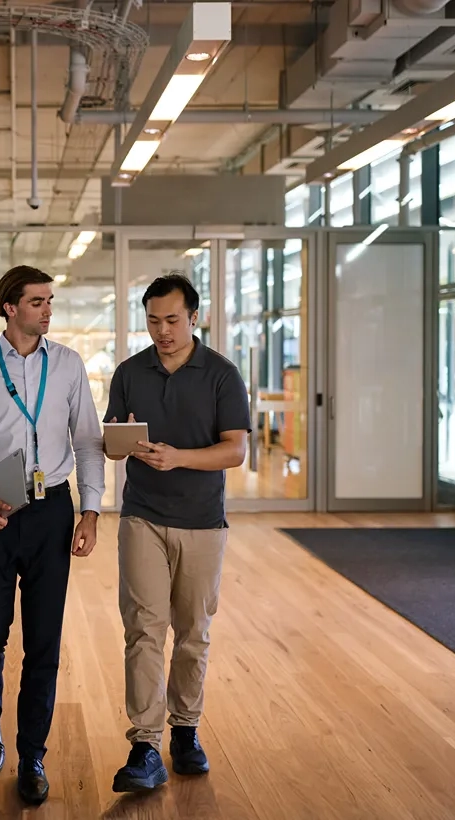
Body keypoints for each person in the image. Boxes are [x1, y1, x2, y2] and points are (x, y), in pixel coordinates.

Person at [0, 265, 105, 805]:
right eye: (37, 301)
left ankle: (32, 752)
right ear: (9, 307)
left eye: (49, 300)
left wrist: (91, 511)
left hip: (51, 513)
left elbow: (86, 441)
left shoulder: (68, 366)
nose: (47, 309)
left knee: (44, 642)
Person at [104, 274, 250, 792]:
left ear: (194, 317)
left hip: (203, 523)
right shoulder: (128, 372)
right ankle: (144, 745)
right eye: (152, 321)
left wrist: (179, 458)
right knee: (144, 628)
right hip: (141, 515)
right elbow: (111, 443)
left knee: (193, 632)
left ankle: (184, 731)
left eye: (171, 320)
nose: (161, 331)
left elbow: (235, 450)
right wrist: (121, 444)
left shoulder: (221, 375)